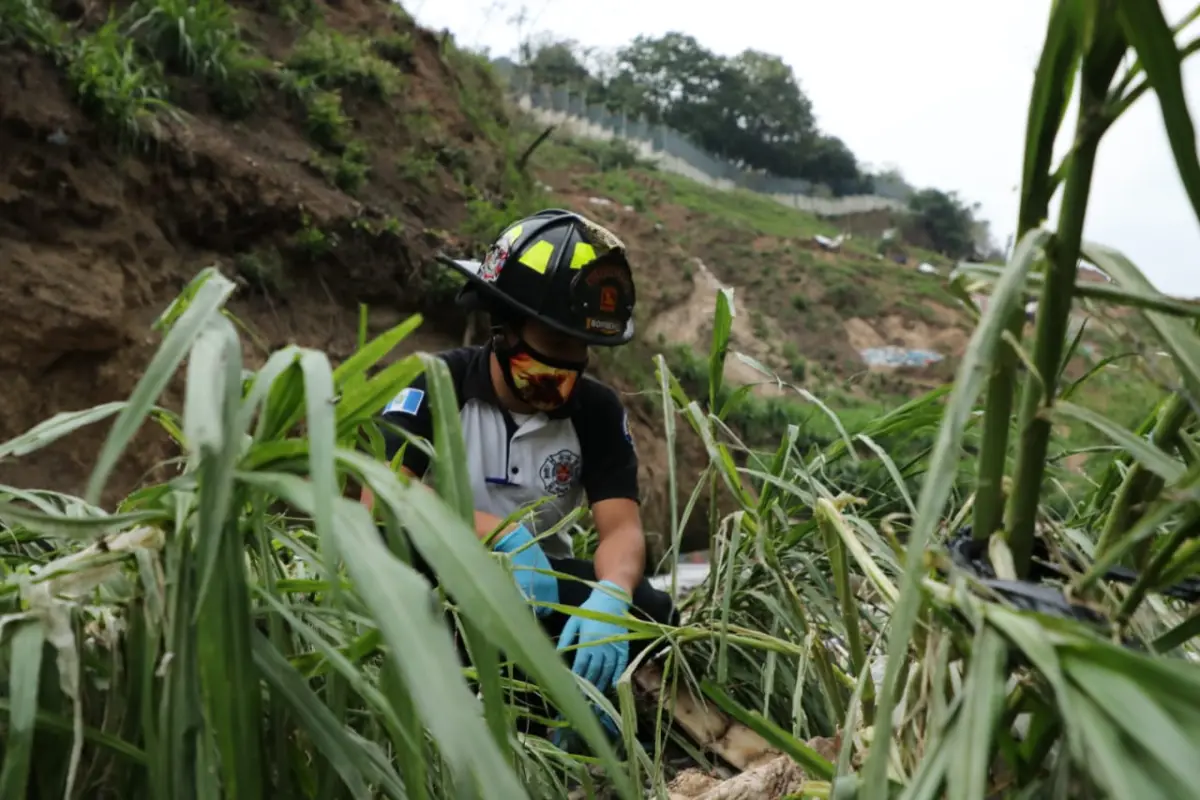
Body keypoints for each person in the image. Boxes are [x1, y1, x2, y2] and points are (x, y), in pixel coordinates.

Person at [362, 208, 676, 726]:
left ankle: (584, 719)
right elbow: (382, 496)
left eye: (581, 351)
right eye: (554, 346)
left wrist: (612, 595)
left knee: (654, 613)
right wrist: (503, 537)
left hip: (541, 593)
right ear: (505, 327)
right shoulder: (439, 384)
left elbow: (621, 529)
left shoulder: (596, 413)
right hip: (447, 581)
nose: (567, 366)